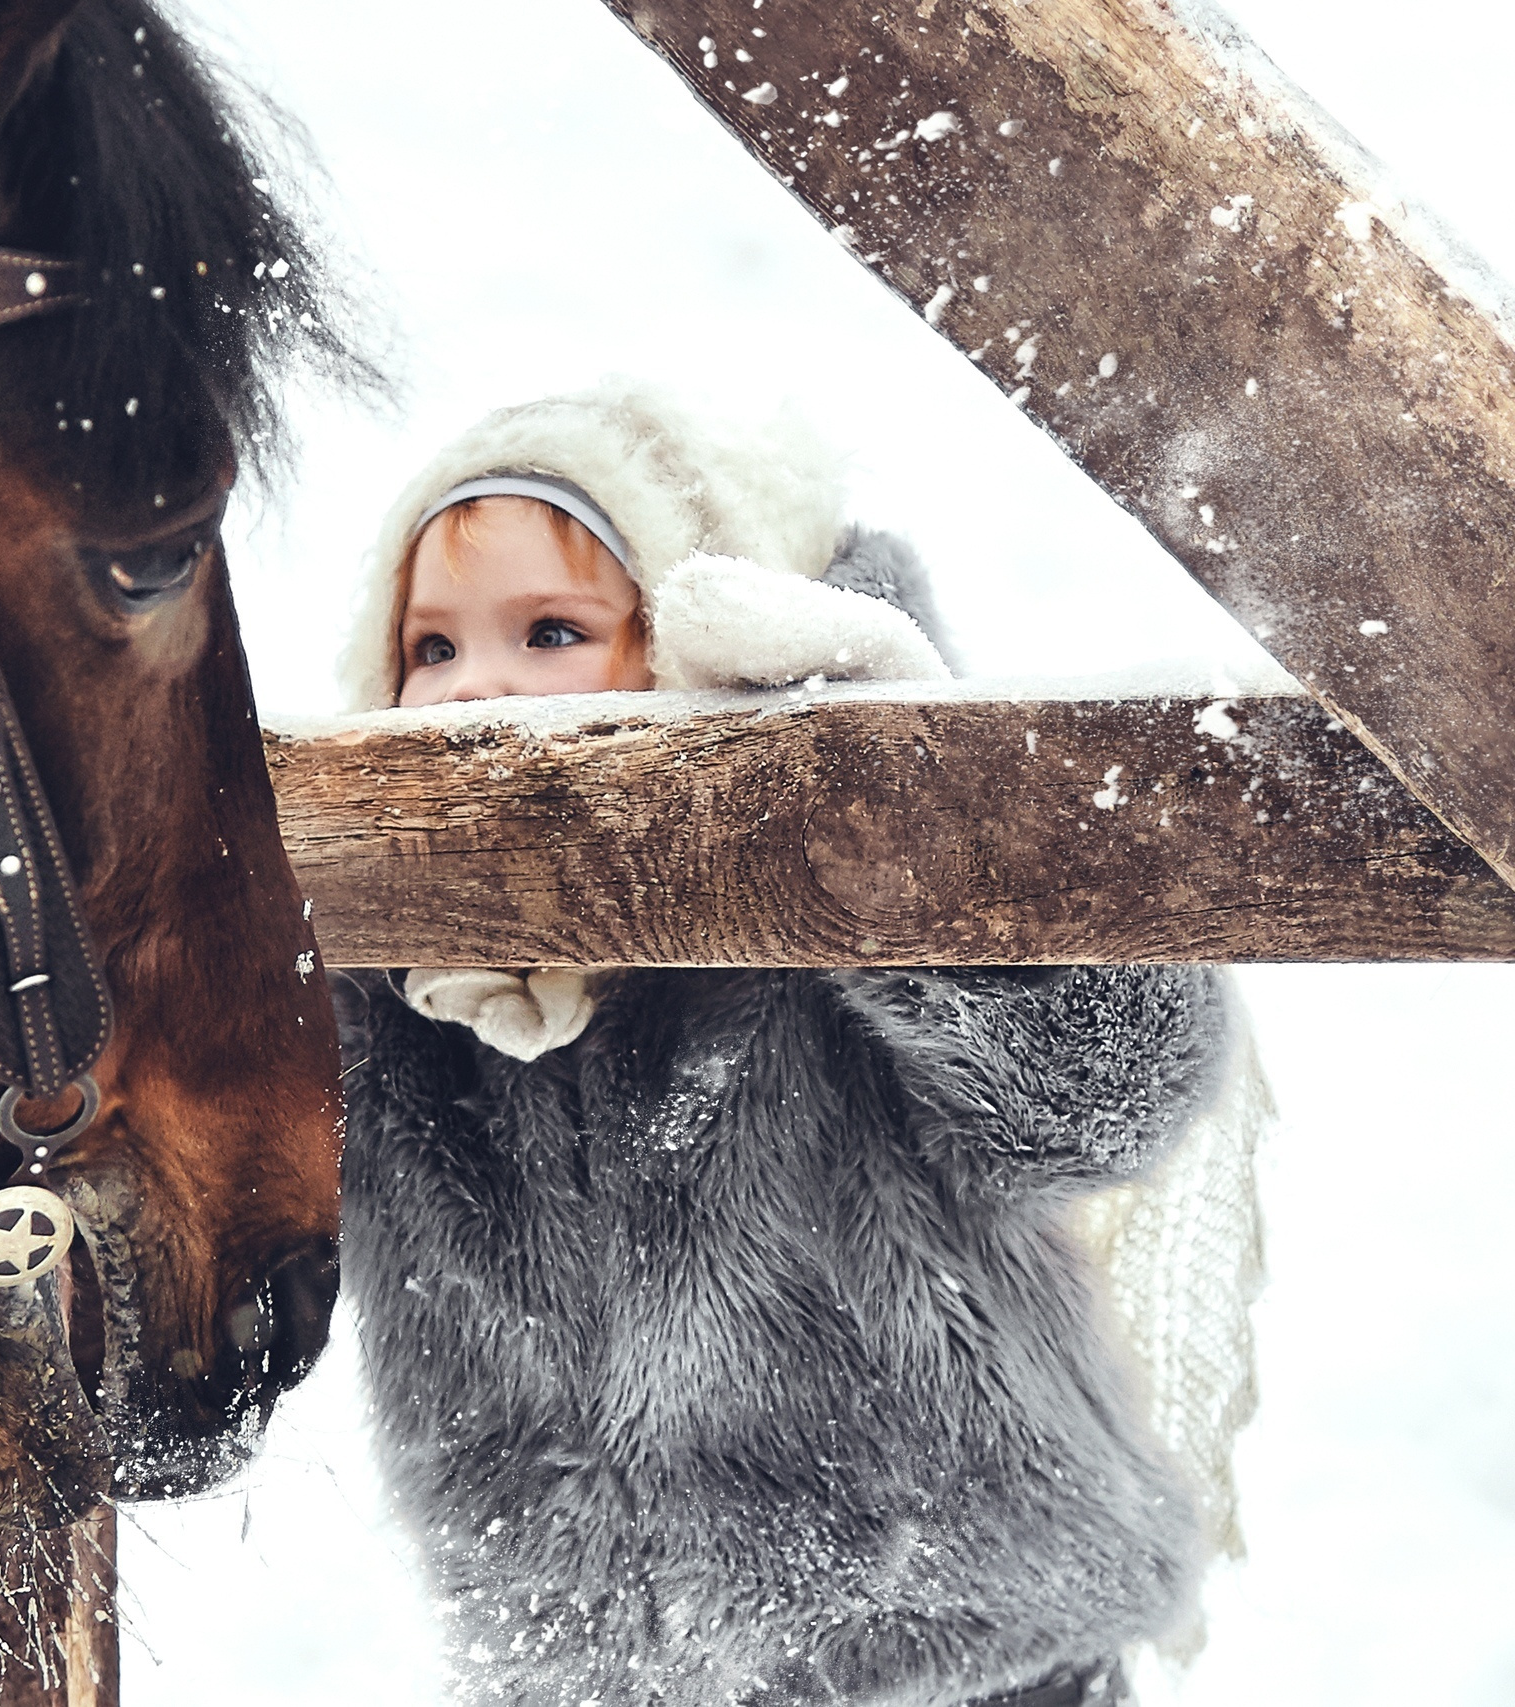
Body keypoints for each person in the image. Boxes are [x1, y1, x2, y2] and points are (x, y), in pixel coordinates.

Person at [332, 378, 1237, 1707]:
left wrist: (909, 829)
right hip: (590, 1673)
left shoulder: (812, 901)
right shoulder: (395, 987)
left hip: (960, 1650)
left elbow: (1111, 1098)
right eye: (432, 648)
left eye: (551, 629)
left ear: (693, 644)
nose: (478, 694)